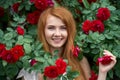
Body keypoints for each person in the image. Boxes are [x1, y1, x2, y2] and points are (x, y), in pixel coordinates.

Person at [17, 6, 116, 80]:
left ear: (70, 31)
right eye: (51, 28)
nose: (57, 34)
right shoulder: (33, 66)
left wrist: (102, 73)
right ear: (43, 31)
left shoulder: (80, 60)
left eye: (63, 28)